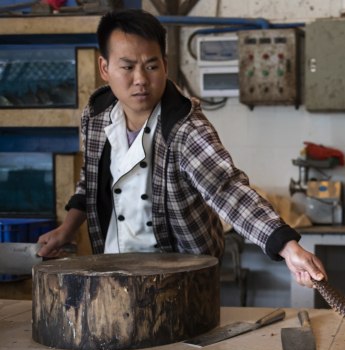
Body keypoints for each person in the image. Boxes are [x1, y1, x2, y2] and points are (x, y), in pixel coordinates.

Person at [37, 8, 325, 287]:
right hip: (113, 271)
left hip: (182, 280)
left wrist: (286, 246)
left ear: (164, 64)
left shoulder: (184, 128)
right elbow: (90, 182)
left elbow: (227, 189)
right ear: (104, 68)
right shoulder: (97, 115)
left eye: (151, 66)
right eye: (127, 67)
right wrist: (67, 229)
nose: (140, 79)